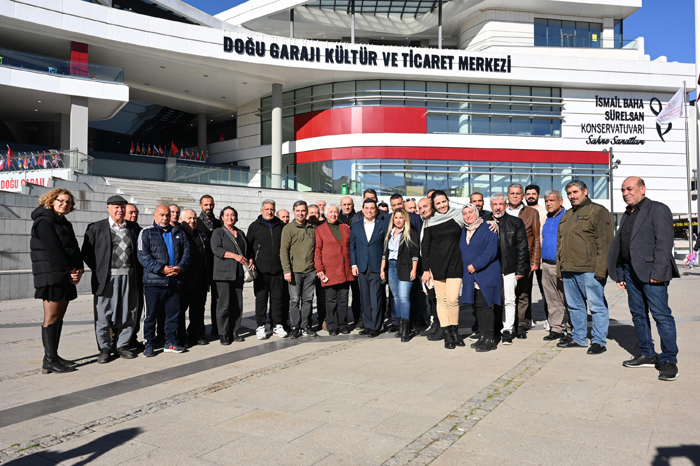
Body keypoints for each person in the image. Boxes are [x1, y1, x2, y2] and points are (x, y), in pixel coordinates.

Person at [609, 177, 680, 381]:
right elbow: (624, 246)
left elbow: (664, 243)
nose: (625, 193)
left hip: (652, 274)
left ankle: (668, 360)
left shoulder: (657, 209)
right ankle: (647, 354)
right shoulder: (627, 214)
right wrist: (621, 273)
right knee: (638, 315)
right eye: (623, 190)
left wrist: (658, 273)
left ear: (642, 189)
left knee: (661, 316)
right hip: (631, 273)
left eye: (629, 189)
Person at [82, 195, 142, 363]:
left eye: (122, 207)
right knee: (103, 314)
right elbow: (86, 252)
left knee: (129, 312)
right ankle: (104, 348)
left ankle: (122, 345)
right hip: (106, 278)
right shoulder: (96, 228)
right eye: (116, 207)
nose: (120, 210)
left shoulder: (134, 228)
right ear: (108, 208)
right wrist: (99, 268)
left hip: (130, 277)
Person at [557, 180, 614, 354]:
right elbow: (560, 244)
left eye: (575, 192)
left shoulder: (598, 211)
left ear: (585, 191)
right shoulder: (567, 215)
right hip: (568, 270)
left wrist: (601, 269)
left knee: (597, 306)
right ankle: (579, 338)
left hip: (589, 270)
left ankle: (598, 341)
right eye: (569, 194)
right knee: (575, 306)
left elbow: (605, 243)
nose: (572, 196)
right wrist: (560, 269)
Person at [31, 188, 84, 374]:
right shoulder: (44, 222)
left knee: (59, 317)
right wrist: (71, 270)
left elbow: (73, 247)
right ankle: (49, 360)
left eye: (68, 202)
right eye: (61, 200)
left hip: (65, 275)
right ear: (51, 201)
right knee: (51, 317)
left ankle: (54, 355)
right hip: (51, 275)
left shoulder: (63, 222)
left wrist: (79, 269)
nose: (65, 204)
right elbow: (54, 249)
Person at [137, 205, 190, 356]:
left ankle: (170, 342)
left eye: (167, 215)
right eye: (162, 215)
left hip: (174, 282)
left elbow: (187, 254)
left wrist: (180, 268)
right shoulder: (146, 233)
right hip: (154, 283)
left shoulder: (179, 232)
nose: (165, 218)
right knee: (151, 316)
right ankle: (149, 343)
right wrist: (161, 269)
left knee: (173, 315)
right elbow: (143, 256)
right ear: (154, 215)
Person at [421, 190, 465, 349]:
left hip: (455, 263)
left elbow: (475, 221)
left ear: (448, 200)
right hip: (437, 265)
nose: (442, 206)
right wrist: (425, 269)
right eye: (438, 203)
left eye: (443, 202)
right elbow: (425, 247)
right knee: (442, 299)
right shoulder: (429, 221)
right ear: (434, 205)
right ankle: (448, 335)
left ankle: (455, 331)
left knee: (453, 299)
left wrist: (492, 223)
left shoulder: (458, 215)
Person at [460, 204, 501, 352]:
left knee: (486, 306)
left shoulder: (488, 228)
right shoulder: (464, 230)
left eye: (470, 212)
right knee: (478, 306)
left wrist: (475, 266)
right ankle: (483, 336)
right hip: (472, 277)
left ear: (477, 213)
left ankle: (490, 339)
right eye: (464, 213)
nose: (468, 215)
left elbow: (491, 251)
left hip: (486, 273)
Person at [491, 193, 529, 345]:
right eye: (495, 204)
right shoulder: (483, 222)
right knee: (492, 301)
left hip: (509, 269)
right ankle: (492, 328)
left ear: (506, 205)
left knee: (509, 300)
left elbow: (522, 248)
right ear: (491, 206)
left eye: (501, 204)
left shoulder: (516, 222)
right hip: (490, 270)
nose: (498, 207)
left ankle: (507, 330)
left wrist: (520, 270)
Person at [247, 200, 287, 339]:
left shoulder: (280, 225)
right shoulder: (254, 226)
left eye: (272, 209)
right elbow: (248, 246)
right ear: (261, 210)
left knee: (277, 300)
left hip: (278, 270)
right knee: (261, 300)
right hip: (261, 271)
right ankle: (260, 326)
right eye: (267, 209)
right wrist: (250, 258)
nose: (269, 212)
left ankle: (277, 325)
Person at [211, 207, 251, 345]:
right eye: (227, 215)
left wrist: (249, 258)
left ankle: (234, 331)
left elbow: (247, 250)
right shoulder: (218, 232)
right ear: (222, 217)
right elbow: (216, 249)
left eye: (232, 215)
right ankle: (223, 333)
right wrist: (235, 256)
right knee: (224, 305)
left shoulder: (240, 233)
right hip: (223, 275)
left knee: (237, 305)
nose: (230, 217)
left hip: (238, 274)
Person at [506, 183, 541, 339]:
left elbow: (536, 238)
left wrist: (535, 261)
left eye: (518, 193)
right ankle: (507, 324)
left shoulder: (531, 213)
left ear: (523, 196)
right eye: (512, 193)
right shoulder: (501, 211)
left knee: (522, 294)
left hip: (524, 260)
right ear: (508, 195)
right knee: (506, 294)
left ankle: (520, 325)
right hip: (505, 261)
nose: (515, 196)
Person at [350, 198, 388, 337]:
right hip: (361, 267)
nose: (369, 211)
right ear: (363, 209)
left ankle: (376, 326)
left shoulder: (382, 225)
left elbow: (386, 247)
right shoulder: (356, 225)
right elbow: (352, 246)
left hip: (377, 266)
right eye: (366, 208)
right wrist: (354, 264)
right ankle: (367, 325)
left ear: (376, 210)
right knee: (364, 298)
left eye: (372, 208)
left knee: (376, 298)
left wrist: (384, 266)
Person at [380, 209, 419, 342]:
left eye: (401, 218)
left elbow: (415, 253)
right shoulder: (390, 233)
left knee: (403, 297)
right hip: (391, 266)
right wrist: (382, 268)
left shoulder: (410, 233)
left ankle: (407, 328)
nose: (398, 220)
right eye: (396, 217)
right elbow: (385, 253)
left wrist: (414, 270)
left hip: (405, 267)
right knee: (396, 298)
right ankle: (400, 326)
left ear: (405, 219)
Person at [280, 200, 318, 338]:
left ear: (306, 212)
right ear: (293, 211)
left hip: (310, 271)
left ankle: (305, 325)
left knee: (308, 300)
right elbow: (284, 250)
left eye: (303, 210)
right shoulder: (288, 229)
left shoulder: (312, 227)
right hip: (294, 271)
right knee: (295, 300)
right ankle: (295, 326)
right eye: (298, 211)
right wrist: (286, 270)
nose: (300, 213)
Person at [315, 205, 354, 335]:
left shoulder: (345, 228)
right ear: (326, 214)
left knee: (343, 299)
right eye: (331, 212)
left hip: (344, 270)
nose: (333, 214)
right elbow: (317, 250)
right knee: (330, 300)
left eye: (336, 212)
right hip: (329, 271)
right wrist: (319, 268)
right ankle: (332, 325)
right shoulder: (320, 230)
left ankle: (343, 324)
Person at [540, 190, 570, 341]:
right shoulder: (547, 219)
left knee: (569, 298)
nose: (549, 203)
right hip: (546, 264)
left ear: (561, 201)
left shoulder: (567, 217)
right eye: (546, 201)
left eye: (552, 200)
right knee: (552, 299)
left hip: (562, 265)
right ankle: (557, 328)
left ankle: (572, 330)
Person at [178, 209, 210, 347]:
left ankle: (196, 334)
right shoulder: (177, 235)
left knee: (198, 310)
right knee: (180, 311)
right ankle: (180, 336)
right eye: (189, 218)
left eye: (194, 218)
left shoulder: (202, 235)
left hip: (200, 280)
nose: (192, 221)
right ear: (181, 220)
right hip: (183, 281)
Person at [196, 195, 222, 336]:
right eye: (206, 205)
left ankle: (217, 328)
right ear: (200, 205)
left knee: (217, 300)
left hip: (218, 266)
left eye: (211, 205)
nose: (208, 207)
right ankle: (199, 330)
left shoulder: (219, 223)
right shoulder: (197, 223)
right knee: (200, 301)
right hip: (202, 268)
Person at [417, 197, 441, 340]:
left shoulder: (438, 221)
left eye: (425, 206)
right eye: (420, 208)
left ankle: (442, 327)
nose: (422, 210)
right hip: (427, 267)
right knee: (431, 298)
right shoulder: (425, 221)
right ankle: (435, 324)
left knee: (440, 299)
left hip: (436, 268)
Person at [525, 184, 548, 328]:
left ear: (538, 195)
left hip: (542, 258)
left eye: (533, 193)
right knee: (524, 291)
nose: (531, 196)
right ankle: (527, 319)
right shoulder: (523, 212)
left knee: (545, 289)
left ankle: (549, 319)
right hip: (526, 257)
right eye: (528, 194)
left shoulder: (545, 212)